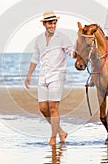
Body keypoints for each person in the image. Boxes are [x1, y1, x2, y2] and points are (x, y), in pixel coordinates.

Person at [25, 11, 73, 145]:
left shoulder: (62, 37)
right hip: (43, 77)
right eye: (50, 23)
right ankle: (61, 132)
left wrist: (79, 53)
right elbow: (35, 57)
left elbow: (71, 52)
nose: (53, 25)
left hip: (57, 75)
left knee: (53, 107)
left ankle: (53, 138)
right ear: (44, 24)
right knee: (43, 108)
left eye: (54, 23)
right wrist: (29, 75)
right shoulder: (39, 39)